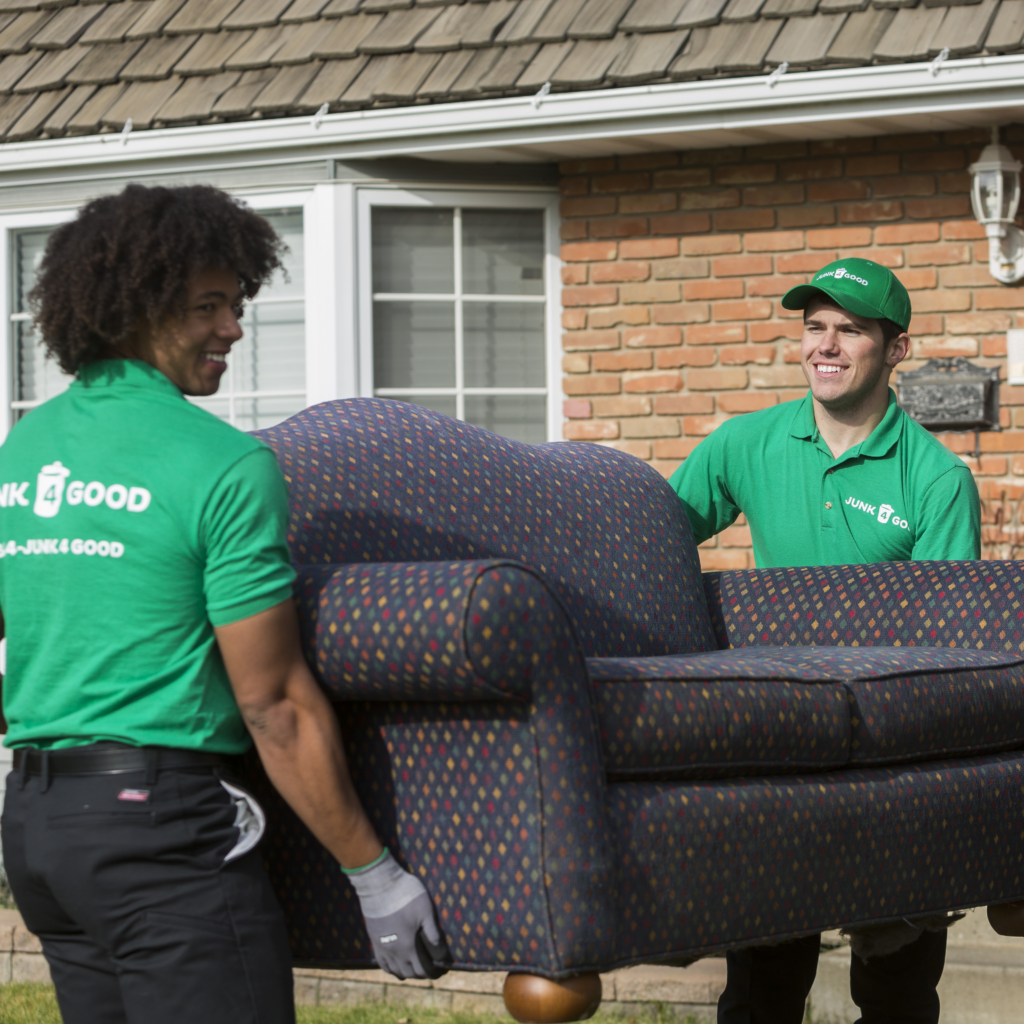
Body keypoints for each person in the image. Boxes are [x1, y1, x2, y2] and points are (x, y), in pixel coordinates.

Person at [0, 184, 448, 1024]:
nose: (234, 329)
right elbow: (273, 703)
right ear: (136, 307)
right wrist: (373, 872)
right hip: (158, 833)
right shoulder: (222, 464)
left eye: (235, 305)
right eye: (210, 306)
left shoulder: (25, 448)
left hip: (39, 830)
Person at [668, 257, 980, 1024]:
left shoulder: (935, 480)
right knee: (762, 993)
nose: (826, 345)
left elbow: (946, 653)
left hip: (890, 763)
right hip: (780, 752)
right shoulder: (744, 443)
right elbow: (654, 540)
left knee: (896, 994)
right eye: (814, 327)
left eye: (851, 330)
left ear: (895, 349)